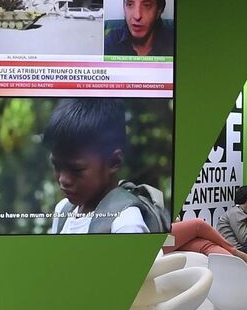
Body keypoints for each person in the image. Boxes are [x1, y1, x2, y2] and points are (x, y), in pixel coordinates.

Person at [44, 98, 169, 234]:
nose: (63, 179)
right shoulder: (63, 210)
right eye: (56, 166)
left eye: (76, 169)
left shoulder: (126, 222)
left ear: (114, 162)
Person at [103, 0, 175, 57]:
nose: (137, 16)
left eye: (147, 5)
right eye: (129, 5)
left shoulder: (174, 41)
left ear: (159, 10)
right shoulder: (111, 41)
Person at [167, 218, 247, 262]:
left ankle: (241, 273)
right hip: (159, 240)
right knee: (198, 225)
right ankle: (235, 252)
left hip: (167, 240)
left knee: (205, 244)